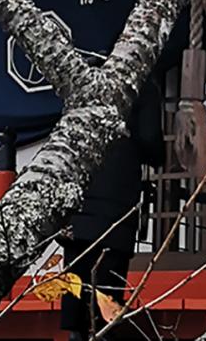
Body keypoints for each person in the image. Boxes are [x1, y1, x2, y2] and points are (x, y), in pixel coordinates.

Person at [59, 77, 165, 341]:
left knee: (76, 285)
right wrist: (159, 156)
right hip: (116, 205)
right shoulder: (140, 85)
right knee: (107, 293)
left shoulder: (82, 81)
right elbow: (150, 137)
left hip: (78, 200)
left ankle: (75, 333)